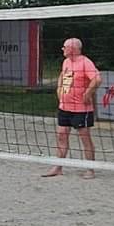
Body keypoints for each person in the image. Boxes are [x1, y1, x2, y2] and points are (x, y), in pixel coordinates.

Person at [41, 38, 100, 179]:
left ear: (72, 49)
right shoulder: (66, 62)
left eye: (64, 47)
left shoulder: (85, 62)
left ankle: (90, 169)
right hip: (65, 107)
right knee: (61, 135)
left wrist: (87, 93)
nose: (62, 49)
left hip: (81, 109)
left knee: (85, 138)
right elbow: (63, 74)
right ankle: (58, 167)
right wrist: (59, 88)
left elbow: (97, 79)